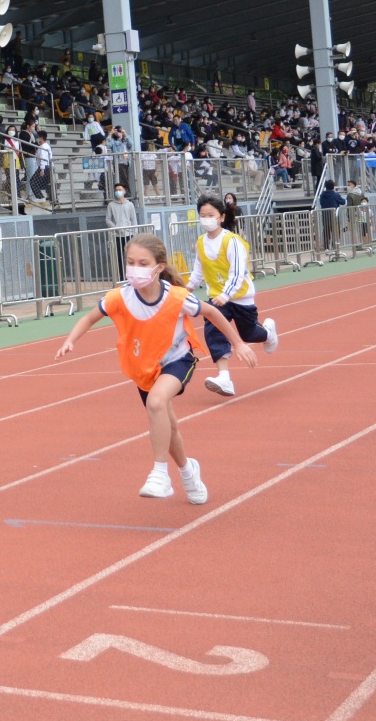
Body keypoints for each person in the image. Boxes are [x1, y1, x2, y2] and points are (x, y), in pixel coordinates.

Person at [54, 232, 254, 504]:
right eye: (130, 262)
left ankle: (160, 474)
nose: (135, 269)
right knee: (168, 428)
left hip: (176, 360)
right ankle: (188, 472)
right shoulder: (119, 297)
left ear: (159, 267)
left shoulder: (177, 297)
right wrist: (70, 340)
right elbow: (90, 318)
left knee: (157, 402)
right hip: (143, 368)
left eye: (143, 263)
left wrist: (238, 343)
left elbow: (212, 312)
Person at [185, 194, 278, 399]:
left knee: (249, 334)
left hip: (240, 296)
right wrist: (187, 288)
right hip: (217, 298)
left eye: (211, 215)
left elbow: (237, 273)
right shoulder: (201, 242)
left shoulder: (232, 241)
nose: (206, 219)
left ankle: (268, 333)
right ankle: (224, 377)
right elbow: (198, 271)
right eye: (203, 215)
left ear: (221, 217)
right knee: (214, 327)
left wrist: (226, 294)